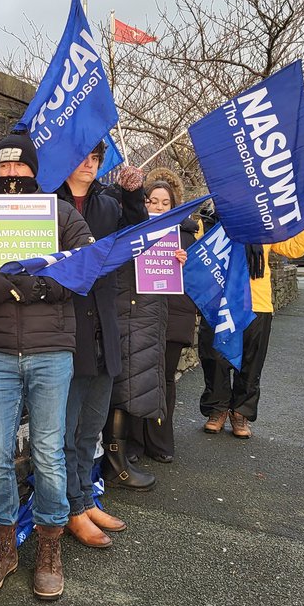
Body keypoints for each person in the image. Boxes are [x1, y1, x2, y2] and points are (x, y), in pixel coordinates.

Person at [0, 131, 93, 600]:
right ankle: (2, 545)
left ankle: (50, 546)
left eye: (20, 166)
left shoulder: (62, 214)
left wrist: (39, 287)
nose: (11, 174)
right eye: (5, 167)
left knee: (49, 453)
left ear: (35, 170)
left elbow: (84, 267)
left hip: (51, 350)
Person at [54, 143, 146, 548]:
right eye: (83, 155)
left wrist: (132, 193)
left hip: (104, 328)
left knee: (91, 428)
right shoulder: (48, 204)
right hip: (66, 328)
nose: (89, 164)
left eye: (95, 158)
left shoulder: (109, 203)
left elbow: (139, 233)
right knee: (65, 432)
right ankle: (72, 508)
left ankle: (86, 499)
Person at [200, 220, 304, 438]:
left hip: (256, 302)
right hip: (218, 301)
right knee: (214, 358)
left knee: (251, 362)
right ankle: (217, 409)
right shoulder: (209, 222)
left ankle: (240, 412)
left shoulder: (265, 225)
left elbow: (293, 247)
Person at [127, 171, 200, 463]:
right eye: (152, 201)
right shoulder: (132, 233)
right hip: (140, 315)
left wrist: (185, 261)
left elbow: (195, 282)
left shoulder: (185, 237)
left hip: (172, 316)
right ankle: (134, 442)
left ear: (173, 206)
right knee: (136, 377)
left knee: (165, 379)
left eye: (164, 203)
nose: (157, 207)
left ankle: (159, 440)